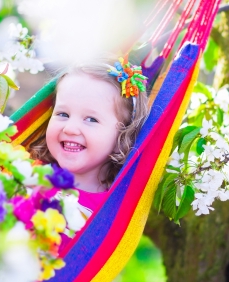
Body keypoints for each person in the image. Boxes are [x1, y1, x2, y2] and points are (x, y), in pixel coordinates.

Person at [29, 56, 149, 250]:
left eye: (91, 119)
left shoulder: (110, 214)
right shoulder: (28, 174)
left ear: (122, 136)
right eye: (63, 114)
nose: (70, 128)